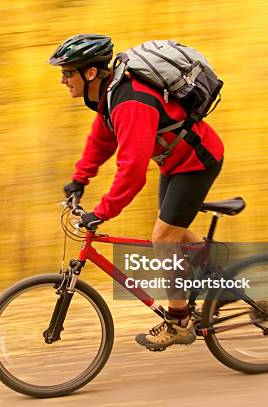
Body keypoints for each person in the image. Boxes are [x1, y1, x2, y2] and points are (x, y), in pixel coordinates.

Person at [49, 34, 224, 350]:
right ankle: (225, 284)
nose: (62, 79)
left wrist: (100, 213)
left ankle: (179, 322)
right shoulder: (111, 95)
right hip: (176, 164)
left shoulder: (131, 101)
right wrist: (79, 180)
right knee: (175, 233)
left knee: (164, 238)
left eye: (67, 72)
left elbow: (131, 173)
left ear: (90, 73)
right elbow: (102, 140)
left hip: (198, 163)